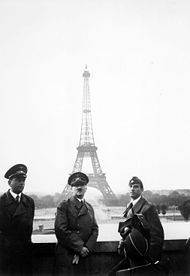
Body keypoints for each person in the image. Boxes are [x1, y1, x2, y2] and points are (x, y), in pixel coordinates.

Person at [109, 176, 164, 276]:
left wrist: (152, 259)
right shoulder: (129, 206)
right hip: (132, 254)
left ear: (142, 189)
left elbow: (157, 235)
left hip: (143, 258)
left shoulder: (148, 208)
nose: (132, 189)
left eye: (135, 186)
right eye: (130, 186)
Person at [54, 172, 99, 276]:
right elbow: (61, 229)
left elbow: (95, 229)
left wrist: (87, 248)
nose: (79, 187)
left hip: (85, 255)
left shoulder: (89, 207)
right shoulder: (63, 205)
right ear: (71, 188)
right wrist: (80, 248)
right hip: (68, 254)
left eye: (82, 185)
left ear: (86, 187)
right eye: (76, 185)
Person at [0, 164, 35, 276]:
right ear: (9, 182)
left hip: (25, 254)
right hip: (7, 254)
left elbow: (28, 228)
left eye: (23, 180)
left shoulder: (29, 202)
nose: (21, 183)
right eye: (18, 180)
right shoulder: (1, 202)